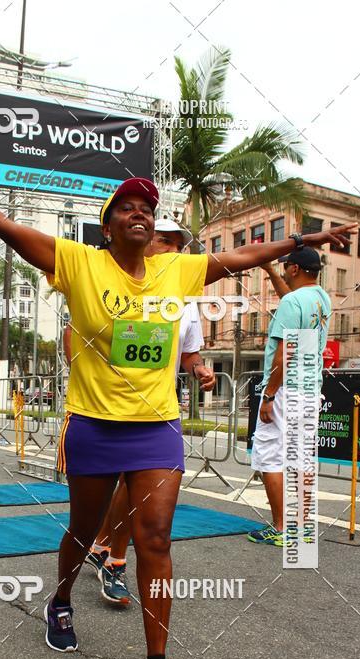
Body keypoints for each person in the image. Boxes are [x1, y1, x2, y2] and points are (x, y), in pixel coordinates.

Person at [0, 128, 355, 659]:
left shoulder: (177, 271)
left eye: (148, 210)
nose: (141, 214)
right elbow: (2, 229)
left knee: (155, 537)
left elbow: (246, 256)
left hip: (157, 427)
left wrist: (304, 240)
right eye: (128, 209)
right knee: (83, 532)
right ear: (108, 226)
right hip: (95, 425)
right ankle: (60, 599)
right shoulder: (78, 263)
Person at [84, 217, 214, 606]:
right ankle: (91, 555)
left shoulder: (186, 300)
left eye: (179, 244)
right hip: (106, 409)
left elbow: (189, 354)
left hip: (158, 413)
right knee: (112, 492)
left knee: (140, 497)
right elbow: (78, 332)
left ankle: (113, 559)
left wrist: (200, 370)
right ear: (144, 241)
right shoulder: (110, 283)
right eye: (166, 241)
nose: (175, 250)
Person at [248, 248, 331, 546]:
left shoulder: (292, 302)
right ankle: (301, 527)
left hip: (285, 390)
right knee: (302, 458)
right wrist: (270, 272)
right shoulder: (320, 298)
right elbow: (290, 300)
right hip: (310, 391)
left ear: (294, 268)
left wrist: (269, 394)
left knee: (270, 455)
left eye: (284, 268)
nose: (283, 272)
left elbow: (285, 354)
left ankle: (282, 529)